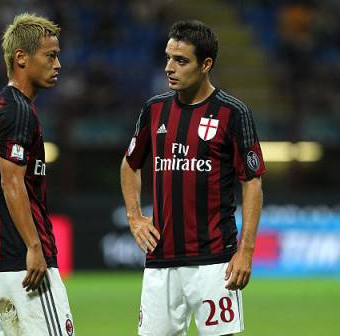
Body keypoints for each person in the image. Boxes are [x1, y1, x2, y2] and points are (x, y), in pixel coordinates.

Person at [121, 20, 265, 336]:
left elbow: (252, 182)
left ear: (206, 65)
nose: (170, 67)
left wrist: (246, 251)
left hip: (215, 261)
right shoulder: (154, 109)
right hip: (161, 259)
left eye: (181, 60)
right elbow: (130, 164)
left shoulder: (233, 113)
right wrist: (134, 217)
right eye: (168, 57)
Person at [0, 13, 75, 336]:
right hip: (22, 263)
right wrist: (35, 246)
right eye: (50, 55)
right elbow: (11, 182)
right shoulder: (17, 110)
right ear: (21, 58)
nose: (58, 64)